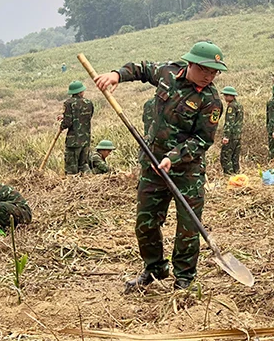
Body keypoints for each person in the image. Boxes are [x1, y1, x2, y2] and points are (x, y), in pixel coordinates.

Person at [92, 40, 227, 292]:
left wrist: (173, 158)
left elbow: (202, 140)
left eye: (214, 72)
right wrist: (116, 75)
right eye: (205, 70)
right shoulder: (168, 73)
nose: (209, 76)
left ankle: (184, 278)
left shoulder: (211, 101)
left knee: (188, 227)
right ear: (191, 64)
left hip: (187, 171)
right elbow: (143, 69)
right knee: (145, 222)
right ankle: (154, 268)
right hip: (153, 165)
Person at [59, 80, 94, 175]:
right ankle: (88, 181)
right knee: (83, 165)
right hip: (86, 140)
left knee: (71, 169)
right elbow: (86, 117)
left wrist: (62, 125)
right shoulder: (89, 103)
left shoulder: (68, 103)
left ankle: (71, 183)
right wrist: (65, 116)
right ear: (81, 91)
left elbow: (68, 122)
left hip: (73, 141)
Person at [219, 86, 244, 174]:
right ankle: (237, 175)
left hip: (231, 136)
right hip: (238, 135)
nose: (225, 97)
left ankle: (229, 175)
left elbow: (229, 122)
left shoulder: (231, 107)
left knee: (225, 157)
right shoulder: (239, 105)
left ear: (231, 96)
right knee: (235, 157)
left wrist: (226, 136)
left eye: (226, 95)